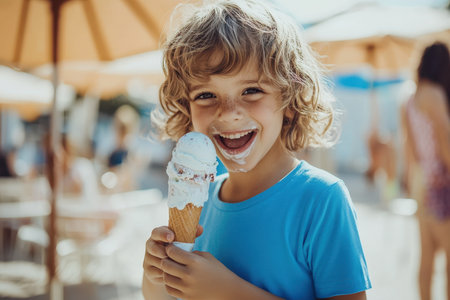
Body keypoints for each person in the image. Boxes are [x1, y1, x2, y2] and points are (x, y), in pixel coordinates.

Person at [142, 1, 371, 299]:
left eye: (251, 90)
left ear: (289, 99)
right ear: (187, 107)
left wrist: (229, 292)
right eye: (206, 94)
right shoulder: (200, 200)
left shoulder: (322, 199)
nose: (228, 112)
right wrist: (157, 274)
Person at [401, 42, 450, 300]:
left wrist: (409, 184)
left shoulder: (410, 99)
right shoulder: (436, 95)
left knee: (427, 258)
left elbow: (409, 150)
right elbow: (445, 144)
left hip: (422, 183)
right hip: (441, 183)